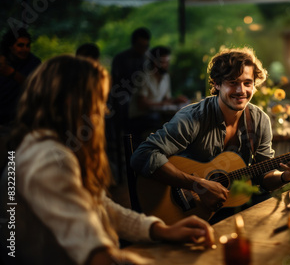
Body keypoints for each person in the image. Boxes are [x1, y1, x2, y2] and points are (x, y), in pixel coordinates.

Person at [0, 55, 214, 265]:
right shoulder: (48, 159)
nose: (105, 110)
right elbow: (95, 253)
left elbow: (100, 206)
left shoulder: (50, 148)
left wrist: (161, 230)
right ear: (72, 102)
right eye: (98, 101)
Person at [130, 47, 290, 220]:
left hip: (231, 207)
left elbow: (264, 178)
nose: (241, 91)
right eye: (233, 82)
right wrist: (197, 184)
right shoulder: (193, 117)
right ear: (216, 83)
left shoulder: (260, 120)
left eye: (247, 83)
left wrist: (286, 175)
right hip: (185, 211)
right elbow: (143, 155)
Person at [107, 27, 151, 178]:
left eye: (145, 46)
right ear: (133, 44)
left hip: (140, 103)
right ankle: (125, 169)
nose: (143, 49)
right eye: (140, 46)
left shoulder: (146, 59)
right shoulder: (121, 58)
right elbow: (115, 86)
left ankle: (139, 166)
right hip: (123, 102)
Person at [128, 46, 189, 142]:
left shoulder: (165, 77)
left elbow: (166, 100)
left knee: (177, 120)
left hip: (155, 115)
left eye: (168, 61)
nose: (167, 65)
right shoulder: (144, 77)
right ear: (155, 62)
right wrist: (164, 103)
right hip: (140, 118)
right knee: (168, 124)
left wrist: (175, 100)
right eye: (164, 62)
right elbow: (142, 104)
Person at [0, 28, 41, 126]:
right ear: (10, 47)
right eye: (20, 45)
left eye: (28, 45)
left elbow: (35, 87)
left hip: (21, 118)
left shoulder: (33, 62)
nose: (25, 49)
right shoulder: (2, 60)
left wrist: (12, 74)